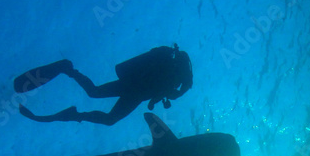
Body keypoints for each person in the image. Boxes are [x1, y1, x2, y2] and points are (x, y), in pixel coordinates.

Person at [14, 44, 193, 125]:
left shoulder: (172, 72)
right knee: (109, 118)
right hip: (135, 92)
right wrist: (168, 95)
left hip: (132, 86)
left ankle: (68, 70)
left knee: (94, 93)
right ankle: (75, 113)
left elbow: (163, 93)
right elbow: (172, 93)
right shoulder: (176, 81)